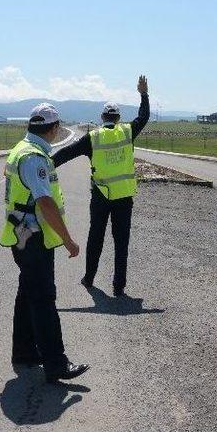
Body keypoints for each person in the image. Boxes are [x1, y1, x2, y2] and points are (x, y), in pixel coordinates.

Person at [1, 102, 89, 383]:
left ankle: (25, 351)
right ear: (52, 129)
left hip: (21, 236)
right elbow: (45, 202)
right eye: (57, 129)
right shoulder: (35, 157)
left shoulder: (20, 150)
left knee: (27, 294)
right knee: (44, 300)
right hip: (34, 238)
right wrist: (68, 240)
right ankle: (56, 363)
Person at [52, 75, 150, 296]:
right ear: (118, 118)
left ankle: (89, 278)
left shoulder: (93, 138)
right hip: (124, 198)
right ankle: (119, 286)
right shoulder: (127, 132)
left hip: (100, 198)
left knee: (96, 237)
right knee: (121, 243)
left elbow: (66, 154)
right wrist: (143, 94)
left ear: (102, 117)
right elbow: (143, 117)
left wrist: (46, 165)